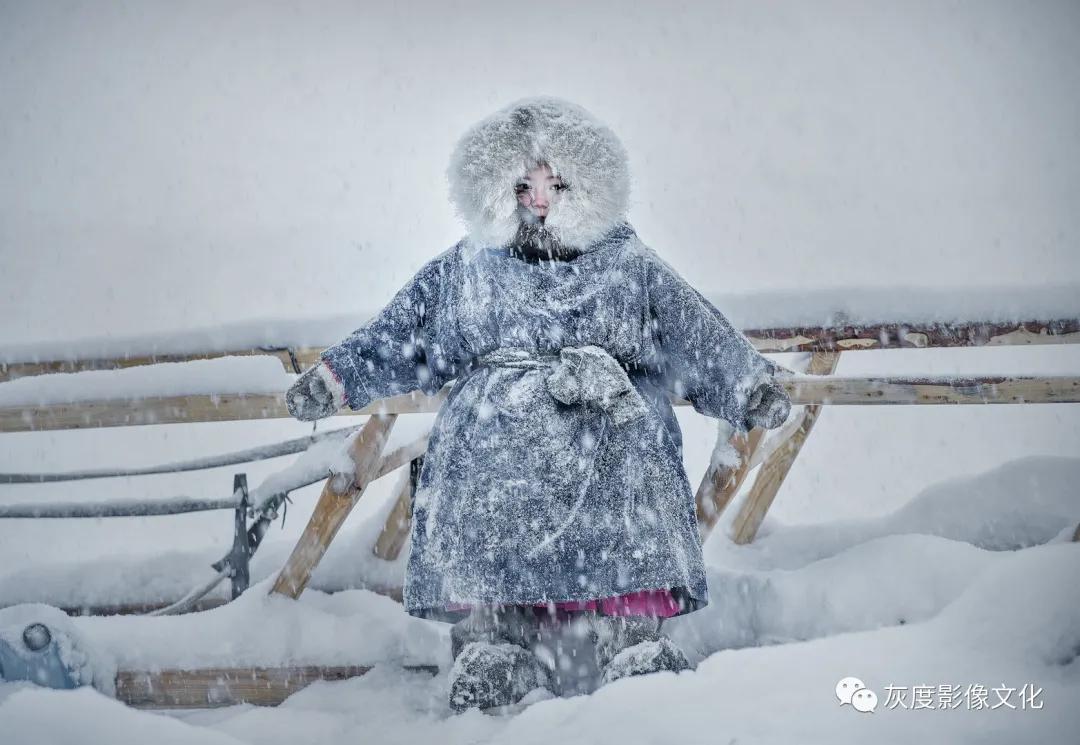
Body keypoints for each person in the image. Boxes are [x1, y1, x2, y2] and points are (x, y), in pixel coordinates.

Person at [285, 97, 791, 711]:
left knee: (626, 502)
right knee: (482, 502)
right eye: (524, 184)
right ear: (497, 188)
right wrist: (337, 377)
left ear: (590, 185)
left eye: (556, 184)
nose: (540, 200)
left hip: (606, 437)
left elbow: (693, 330)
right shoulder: (469, 268)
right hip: (497, 444)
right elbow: (404, 329)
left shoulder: (628, 266)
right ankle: (493, 645)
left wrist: (747, 383)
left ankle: (630, 640)